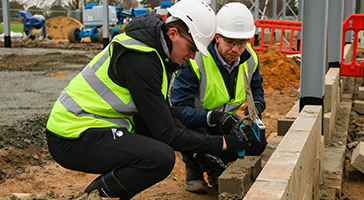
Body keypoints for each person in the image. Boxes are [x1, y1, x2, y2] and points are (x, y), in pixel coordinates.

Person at [45, 0, 255, 199]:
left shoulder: (155, 52)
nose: (192, 56)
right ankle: (95, 197)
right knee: (159, 158)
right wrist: (225, 143)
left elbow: (166, 115)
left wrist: (213, 118)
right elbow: (167, 133)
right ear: (173, 34)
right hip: (72, 134)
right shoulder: (140, 59)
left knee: (166, 128)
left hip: (94, 124)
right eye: (192, 48)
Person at [170, 2, 267, 193]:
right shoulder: (195, 59)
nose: (236, 49)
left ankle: (214, 161)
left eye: (242, 43)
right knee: (188, 131)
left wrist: (256, 106)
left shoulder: (250, 59)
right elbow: (180, 109)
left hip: (227, 121)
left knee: (258, 142)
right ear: (217, 37)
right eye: (231, 42)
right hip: (198, 121)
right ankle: (195, 167)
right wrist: (213, 117)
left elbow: (256, 89)